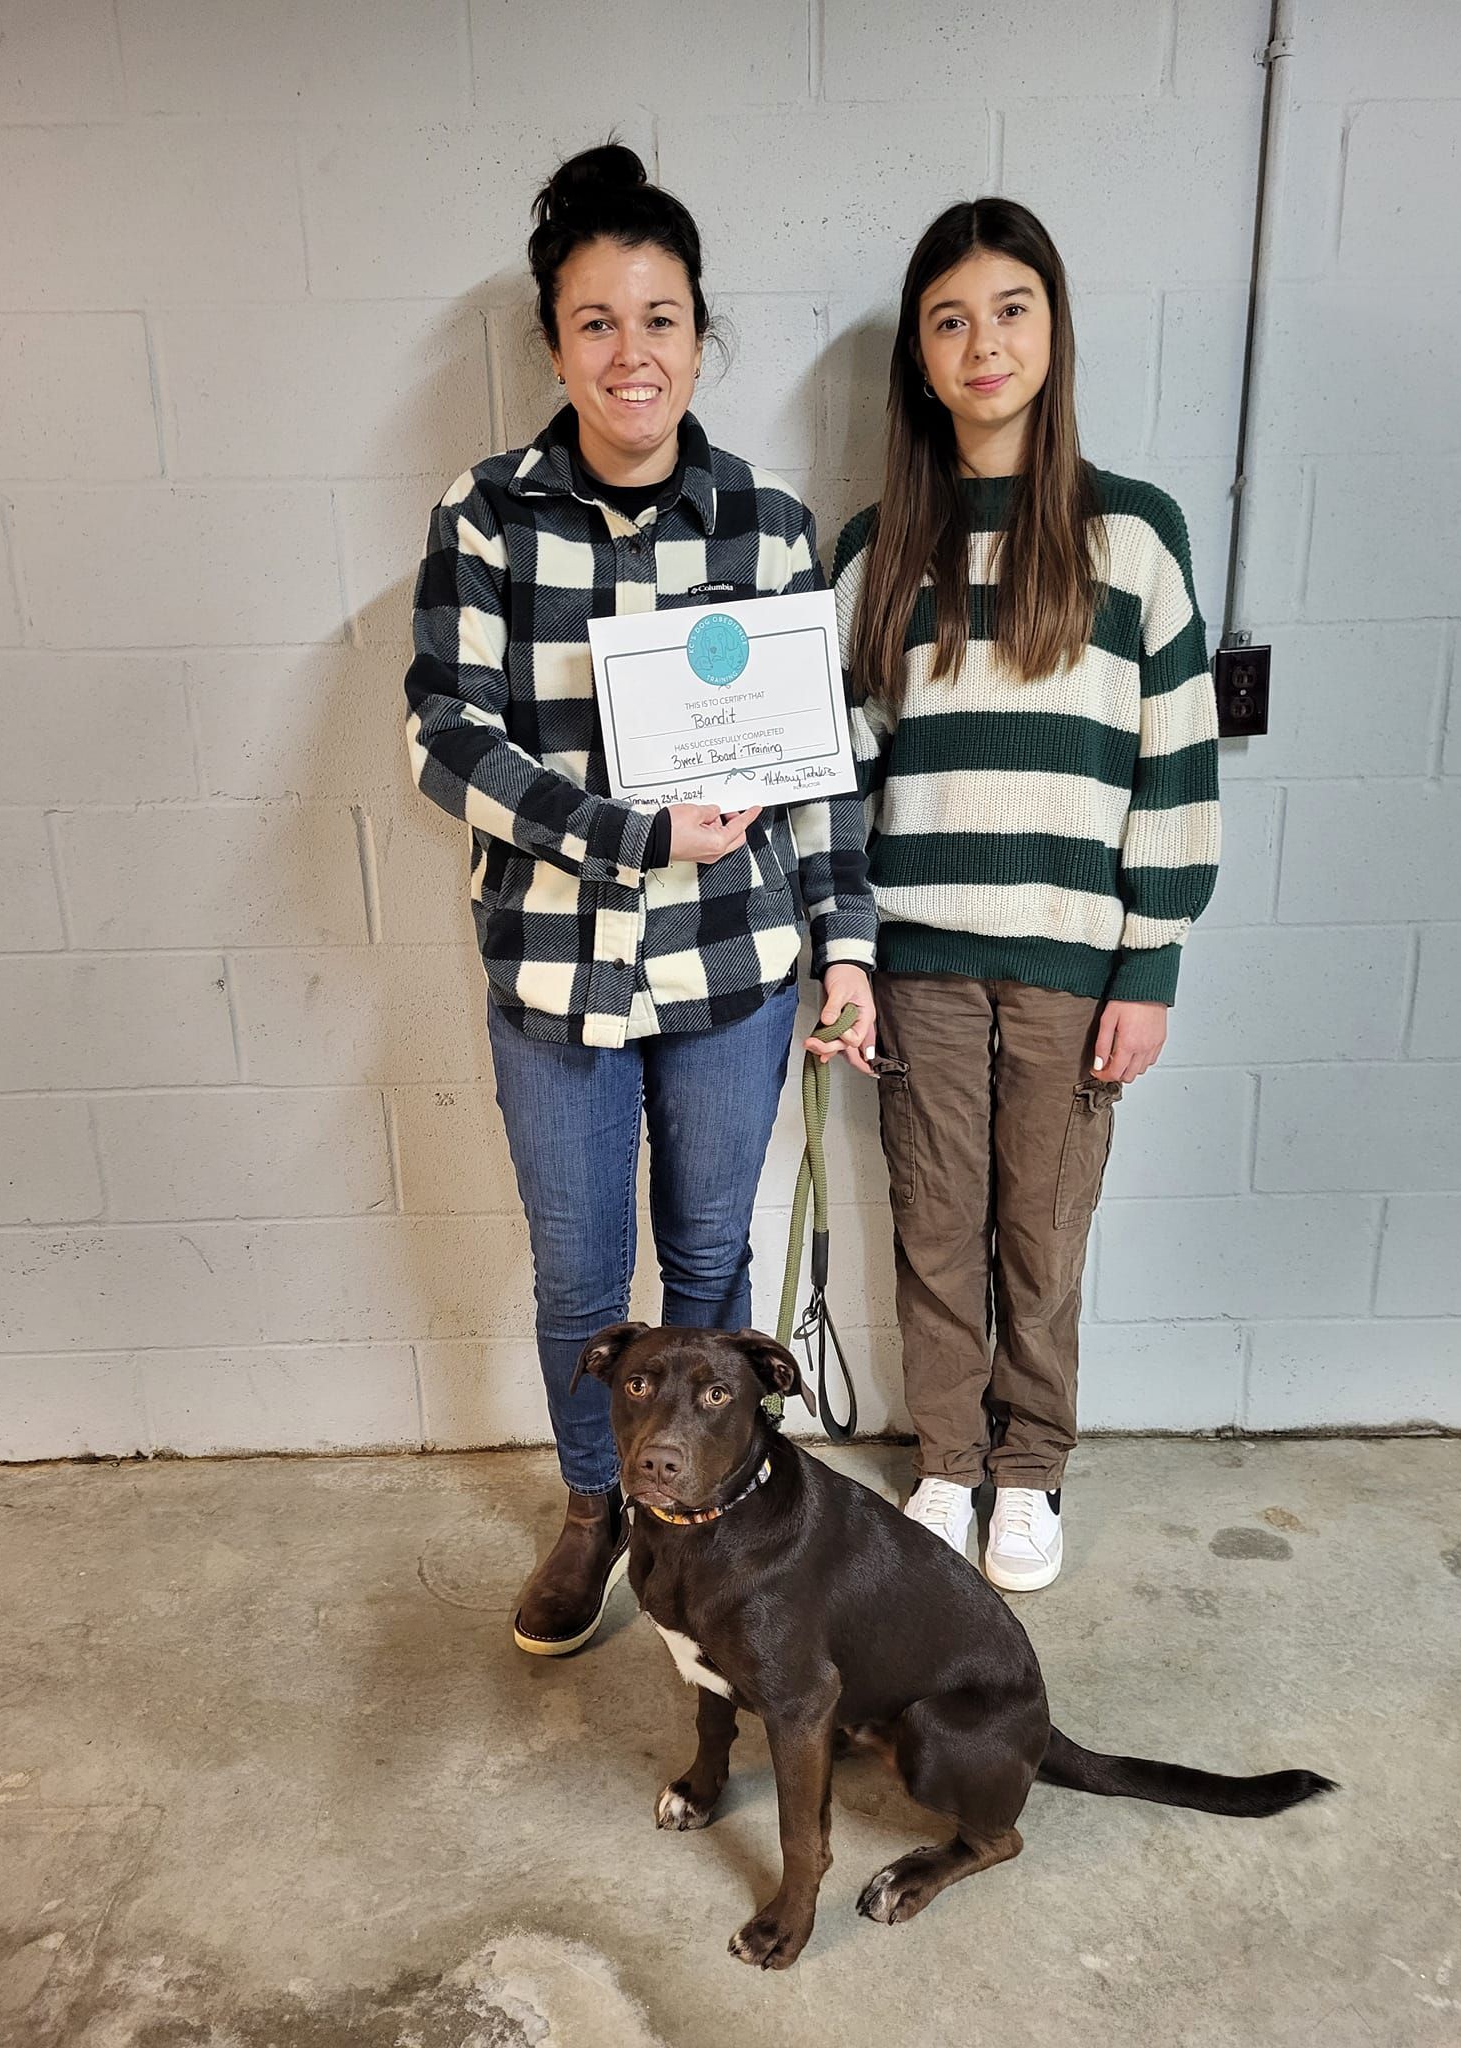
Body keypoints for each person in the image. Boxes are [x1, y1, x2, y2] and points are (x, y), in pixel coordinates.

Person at [405, 143, 876, 1657]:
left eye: (659, 318)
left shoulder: (765, 525)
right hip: (554, 977)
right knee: (579, 1279)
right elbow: (444, 740)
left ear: (697, 336)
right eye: (598, 321)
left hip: (731, 975)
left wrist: (846, 950)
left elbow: (818, 770)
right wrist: (629, 832)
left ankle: (712, 1512)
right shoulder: (485, 519)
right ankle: (597, 1506)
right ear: (556, 343)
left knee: (713, 1265)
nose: (630, 352)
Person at [833, 198, 1220, 1592]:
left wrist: (1153, 962)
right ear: (920, 360)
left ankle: (1031, 1464)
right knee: (935, 1215)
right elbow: (843, 779)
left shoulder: (1137, 539)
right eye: (949, 319)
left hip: (1075, 962)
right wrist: (851, 957)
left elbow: (1172, 761)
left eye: (1010, 310)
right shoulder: (877, 549)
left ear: (1052, 332)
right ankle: (948, 1456)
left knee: (1039, 1227)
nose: (982, 343)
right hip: (920, 961)